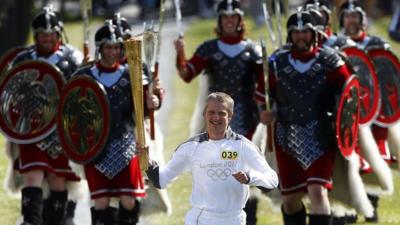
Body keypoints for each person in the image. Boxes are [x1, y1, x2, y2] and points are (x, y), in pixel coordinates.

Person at [174, 1, 267, 222]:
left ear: (240, 20)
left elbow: (265, 87)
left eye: (233, 17)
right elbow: (187, 74)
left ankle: (248, 219)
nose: (229, 21)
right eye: (225, 17)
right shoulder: (210, 49)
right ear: (219, 21)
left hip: (247, 119)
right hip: (217, 121)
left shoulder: (252, 50)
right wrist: (180, 54)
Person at [265, 10, 355, 225]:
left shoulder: (331, 62)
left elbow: (351, 97)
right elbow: (266, 96)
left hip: (320, 135)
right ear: (289, 35)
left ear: (314, 33)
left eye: (305, 31)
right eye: (295, 32)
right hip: (286, 137)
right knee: (290, 199)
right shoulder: (277, 63)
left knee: (317, 191)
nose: (300, 36)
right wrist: (266, 112)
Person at [71, 21, 162, 225]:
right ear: (99, 49)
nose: (112, 52)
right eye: (107, 47)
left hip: (127, 143)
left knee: (129, 199)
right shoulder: (84, 76)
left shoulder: (134, 73)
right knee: (101, 201)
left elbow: (144, 108)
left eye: (115, 47)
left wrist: (153, 102)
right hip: (96, 147)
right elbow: (71, 111)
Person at [142, 92, 278, 225]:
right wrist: (148, 162)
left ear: (230, 116)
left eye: (221, 113)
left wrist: (250, 177)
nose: (216, 118)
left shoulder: (244, 146)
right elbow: (162, 179)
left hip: (234, 219)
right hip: (201, 219)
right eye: (211, 112)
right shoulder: (191, 147)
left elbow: (272, 180)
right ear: (204, 114)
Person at [6, 6, 83, 225]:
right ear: (36, 35)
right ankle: (30, 220)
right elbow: (11, 95)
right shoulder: (22, 60)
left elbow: (82, 94)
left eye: (51, 34)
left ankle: (56, 221)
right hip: (32, 130)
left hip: (60, 131)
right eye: (43, 34)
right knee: (33, 175)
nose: (47, 38)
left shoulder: (73, 59)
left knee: (57, 179)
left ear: (58, 34)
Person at [339, 1, 398, 222]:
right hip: (348, 113)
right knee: (350, 160)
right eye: (348, 16)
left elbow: (388, 77)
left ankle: (372, 208)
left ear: (362, 20)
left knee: (373, 161)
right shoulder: (336, 45)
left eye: (356, 16)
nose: (352, 20)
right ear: (343, 19)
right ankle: (353, 207)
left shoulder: (376, 44)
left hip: (373, 113)